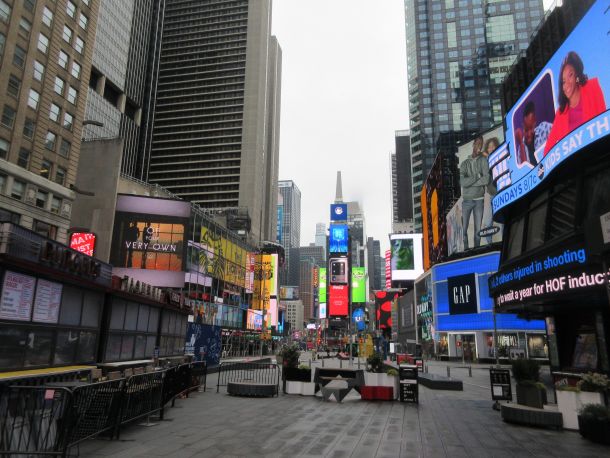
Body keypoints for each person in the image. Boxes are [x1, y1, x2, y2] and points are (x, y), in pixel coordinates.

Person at [544, 51, 606, 156]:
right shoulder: (561, 113)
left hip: (600, 157)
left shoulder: (593, 87)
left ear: (577, 75)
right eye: (563, 81)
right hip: (578, 166)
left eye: (570, 75)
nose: (566, 84)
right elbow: (547, 151)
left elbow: (604, 123)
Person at [460, 135, 489, 249]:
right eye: (477, 143)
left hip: (479, 200)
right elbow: (463, 182)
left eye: (481, 144)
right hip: (466, 200)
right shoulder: (464, 164)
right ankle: (466, 250)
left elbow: (486, 179)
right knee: (464, 229)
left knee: (478, 230)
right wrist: (477, 176)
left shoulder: (483, 161)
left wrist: (470, 183)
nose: (479, 146)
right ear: (473, 144)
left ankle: (476, 250)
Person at [515, 101, 552, 166]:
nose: (529, 134)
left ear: (535, 123)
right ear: (523, 126)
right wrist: (521, 144)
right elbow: (524, 172)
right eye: (526, 130)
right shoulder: (520, 150)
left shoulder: (544, 128)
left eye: (531, 128)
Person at [481, 137, 500, 244]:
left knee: (502, 219)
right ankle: (490, 244)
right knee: (488, 222)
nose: (491, 149)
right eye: (489, 147)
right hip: (492, 194)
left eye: (493, 146)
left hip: (501, 192)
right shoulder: (485, 162)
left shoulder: (499, 156)